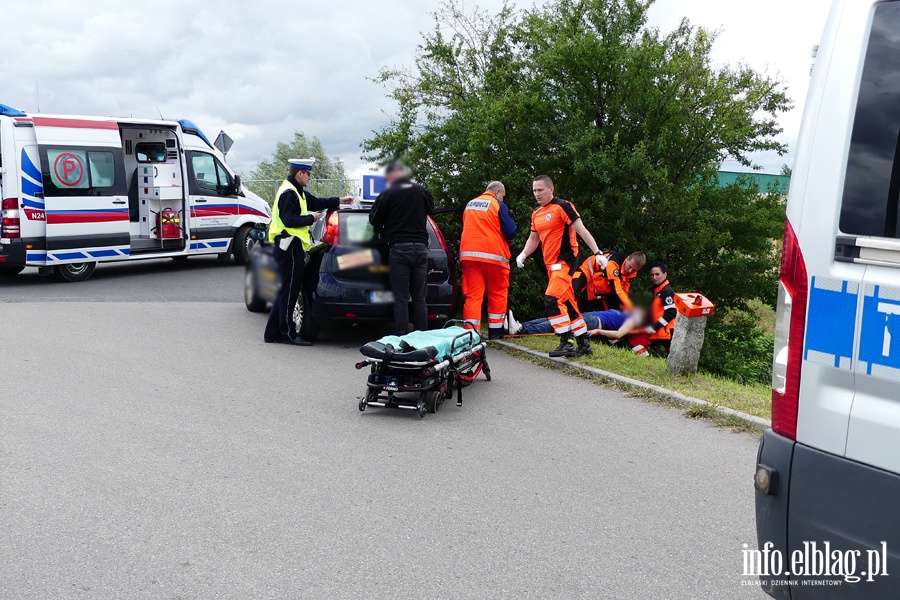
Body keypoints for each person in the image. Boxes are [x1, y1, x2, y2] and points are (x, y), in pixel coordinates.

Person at [516, 175, 608, 358]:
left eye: (540, 190)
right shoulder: (536, 213)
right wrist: (524, 253)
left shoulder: (563, 206)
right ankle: (584, 344)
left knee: (551, 299)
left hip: (564, 261)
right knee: (568, 303)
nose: (537, 194)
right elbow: (533, 238)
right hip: (551, 266)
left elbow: (582, 230)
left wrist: (597, 253)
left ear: (551, 189)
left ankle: (566, 341)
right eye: (534, 190)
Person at [264, 158, 354, 345]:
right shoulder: (289, 193)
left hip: (290, 246)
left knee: (285, 290)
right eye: (309, 174)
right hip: (289, 246)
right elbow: (289, 220)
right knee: (290, 291)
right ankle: (288, 333)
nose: (310, 177)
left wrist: (339, 200)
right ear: (300, 174)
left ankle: (272, 332)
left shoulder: (297, 191)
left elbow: (315, 201)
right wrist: (310, 219)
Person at [369, 162, 435, 335]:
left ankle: (401, 337)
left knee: (401, 299)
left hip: (399, 248)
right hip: (421, 248)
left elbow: (374, 219)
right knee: (420, 298)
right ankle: (421, 337)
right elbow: (431, 210)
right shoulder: (421, 190)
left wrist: (385, 226)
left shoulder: (388, 193)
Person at [460, 181, 517, 339]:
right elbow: (510, 231)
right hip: (494, 257)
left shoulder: (470, 204)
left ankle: (470, 335)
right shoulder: (497, 204)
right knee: (497, 293)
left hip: (469, 256)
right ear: (498, 192)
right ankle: (496, 333)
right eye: (503, 196)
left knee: (473, 296)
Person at [626, 259, 678, 355]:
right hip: (661, 330)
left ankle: (644, 359)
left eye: (657, 274)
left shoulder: (666, 291)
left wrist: (655, 326)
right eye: (652, 275)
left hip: (665, 331)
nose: (654, 277)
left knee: (675, 356)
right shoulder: (658, 290)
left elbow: (671, 313)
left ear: (665, 275)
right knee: (634, 338)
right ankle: (644, 359)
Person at [572, 251, 646, 311]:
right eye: (630, 266)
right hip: (589, 270)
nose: (630, 271)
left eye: (634, 270)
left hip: (603, 284)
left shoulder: (632, 272)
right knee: (573, 289)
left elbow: (624, 289)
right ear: (627, 259)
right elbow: (616, 289)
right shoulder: (613, 263)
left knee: (616, 307)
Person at [507, 307, 646, 337]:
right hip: (588, 314)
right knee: (552, 319)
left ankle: (521, 330)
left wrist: (598, 331)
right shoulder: (624, 313)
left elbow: (618, 335)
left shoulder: (633, 320)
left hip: (593, 322)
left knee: (555, 325)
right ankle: (520, 326)